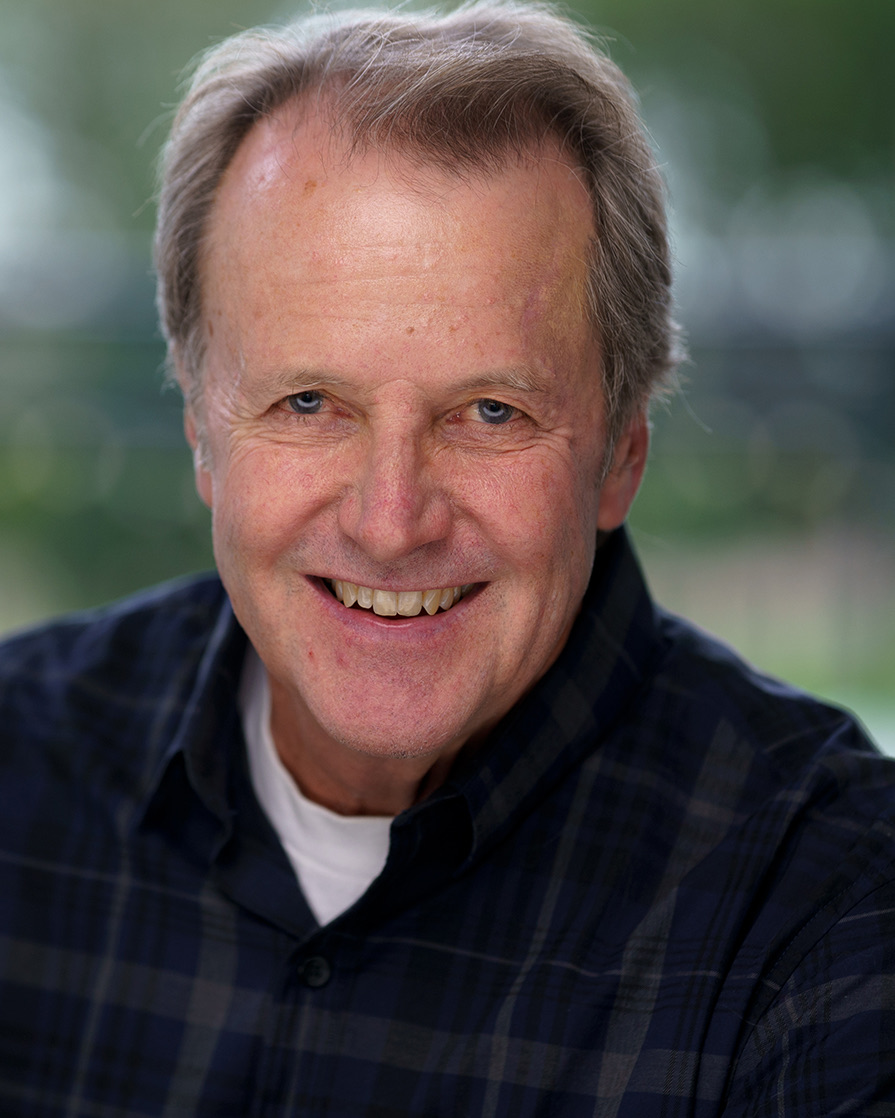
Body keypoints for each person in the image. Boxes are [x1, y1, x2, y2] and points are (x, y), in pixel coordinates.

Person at [1, 3, 893, 1114]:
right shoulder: (17, 763)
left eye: (489, 411)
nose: (390, 521)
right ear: (199, 431)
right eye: (308, 402)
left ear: (620, 454)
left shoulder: (830, 898)